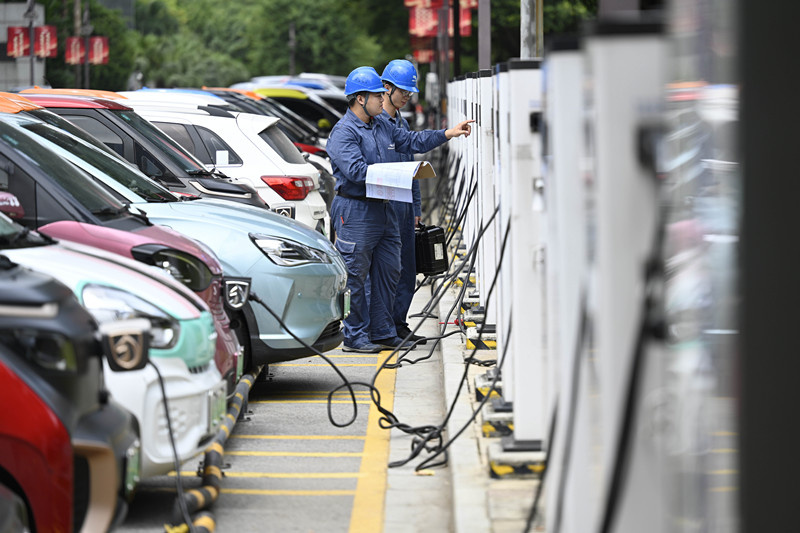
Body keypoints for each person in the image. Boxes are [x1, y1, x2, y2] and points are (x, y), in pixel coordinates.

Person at [327, 66, 473, 353]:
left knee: (389, 271)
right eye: (377, 95)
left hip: (385, 209)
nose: (383, 99)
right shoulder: (343, 133)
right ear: (360, 98)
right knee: (357, 275)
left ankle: (383, 331)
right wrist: (393, 174)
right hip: (356, 210)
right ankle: (355, 337)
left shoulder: (381, 124)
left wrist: (447, 133)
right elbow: (356, 172)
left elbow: (410, 142)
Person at [378, 59, 426, 345]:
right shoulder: (376, 125)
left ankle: (399, 323)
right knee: (388, 270)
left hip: (405, 207)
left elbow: (412, 169)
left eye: (410, 92)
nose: (407, 96)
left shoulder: (402, 122)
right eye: (403, 91)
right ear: (387, 88)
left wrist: (417, 208)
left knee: (408, 269)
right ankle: (385, 327)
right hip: (387, 206)